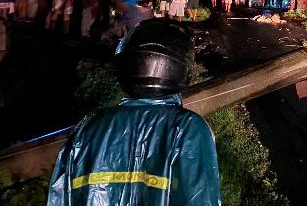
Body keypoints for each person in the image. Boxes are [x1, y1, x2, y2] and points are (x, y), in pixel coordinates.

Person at [47, 18, 222, 206]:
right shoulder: (188, 129)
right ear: (183, 70)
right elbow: (201, 199)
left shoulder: (90, 127)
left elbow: (60, 196)